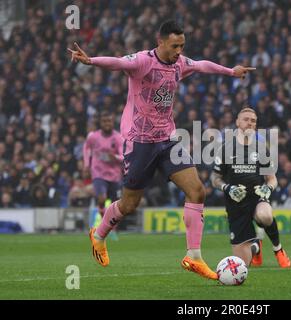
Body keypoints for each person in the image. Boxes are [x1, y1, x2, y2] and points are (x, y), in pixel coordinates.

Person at [68, 19, 255, 280]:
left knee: (196, 190)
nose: (179, 51)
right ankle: (98, 235)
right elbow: (119, 62)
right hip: (139, 141)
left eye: (182, 45)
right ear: (161, 41)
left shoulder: (179, 63)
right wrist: (92, 61)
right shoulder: (143, 61)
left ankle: (194, 257)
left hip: (168, 140)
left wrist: (229, 71)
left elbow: (201, 65)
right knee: (130, 203)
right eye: (175, 45)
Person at [210, 107, 291, 268]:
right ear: (237, 122)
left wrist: (268, 189)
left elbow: (272, 179)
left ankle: (278, 249)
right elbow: (215, 178)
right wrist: (227, 188)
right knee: (242, 265)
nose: (250, 123)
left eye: (253, 121)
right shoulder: (225, 148)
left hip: (257, 197)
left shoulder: (262, 148)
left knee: (265, 216)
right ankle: (256, 246)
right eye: (246, 119)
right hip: (236, 202)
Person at [83, 111, 123, 239]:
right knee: (101, 198)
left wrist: (115, 157)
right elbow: (86, 148)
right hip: (98, 173)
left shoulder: (118, 138)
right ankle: (105, 226)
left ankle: (112, 228)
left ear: (112, 122)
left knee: (114, 204)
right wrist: (86, 165)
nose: (107, 123)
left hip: (114, 175)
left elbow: (124, 156)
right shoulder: (93, 137)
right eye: (104, 121)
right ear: (100, 123)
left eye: (109, 121)